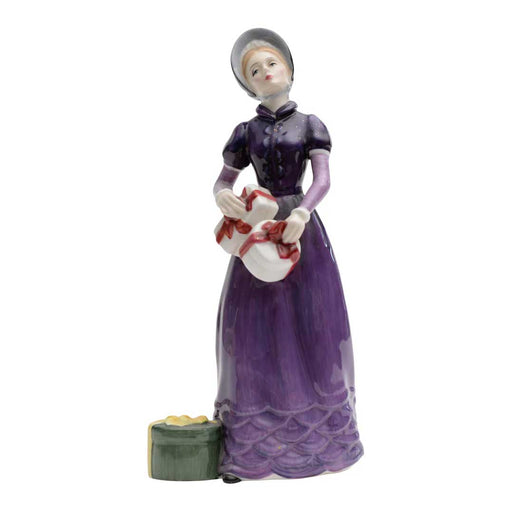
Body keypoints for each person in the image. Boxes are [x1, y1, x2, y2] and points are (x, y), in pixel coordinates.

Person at [213, 28, 364, 482]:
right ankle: (250, 438)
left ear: (290, 70)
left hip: (300, 228)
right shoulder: (245, 132)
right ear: (248, 85)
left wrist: (301, 212)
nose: (264, 72)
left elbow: (323, 179)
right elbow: (223, 179)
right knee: (252, 322)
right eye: (253, 71)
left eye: (271, 63)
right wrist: (222, 195)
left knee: (313, 317)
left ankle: (324, 439)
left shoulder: (309, 124)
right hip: (258, 227)